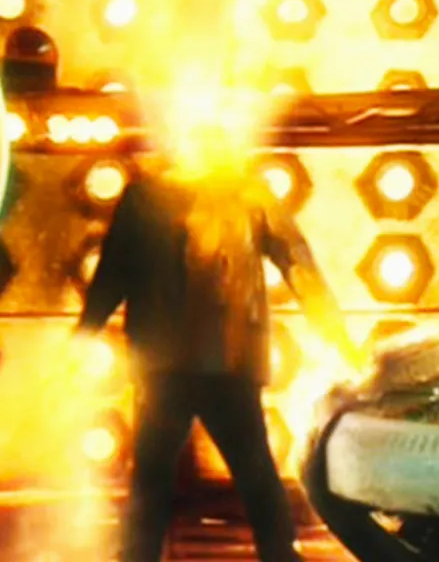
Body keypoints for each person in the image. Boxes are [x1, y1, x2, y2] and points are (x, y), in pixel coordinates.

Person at [74, 127, 365, 562]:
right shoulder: (248, 196)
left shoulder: (145, 198)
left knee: (153, 478)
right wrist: (339, 337)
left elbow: (113, 273)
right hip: (229, 361)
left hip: (164, 363)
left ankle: (140, 557)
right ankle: (279, 557)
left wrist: (83, 334)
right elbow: (298, 265)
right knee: (253, 470)